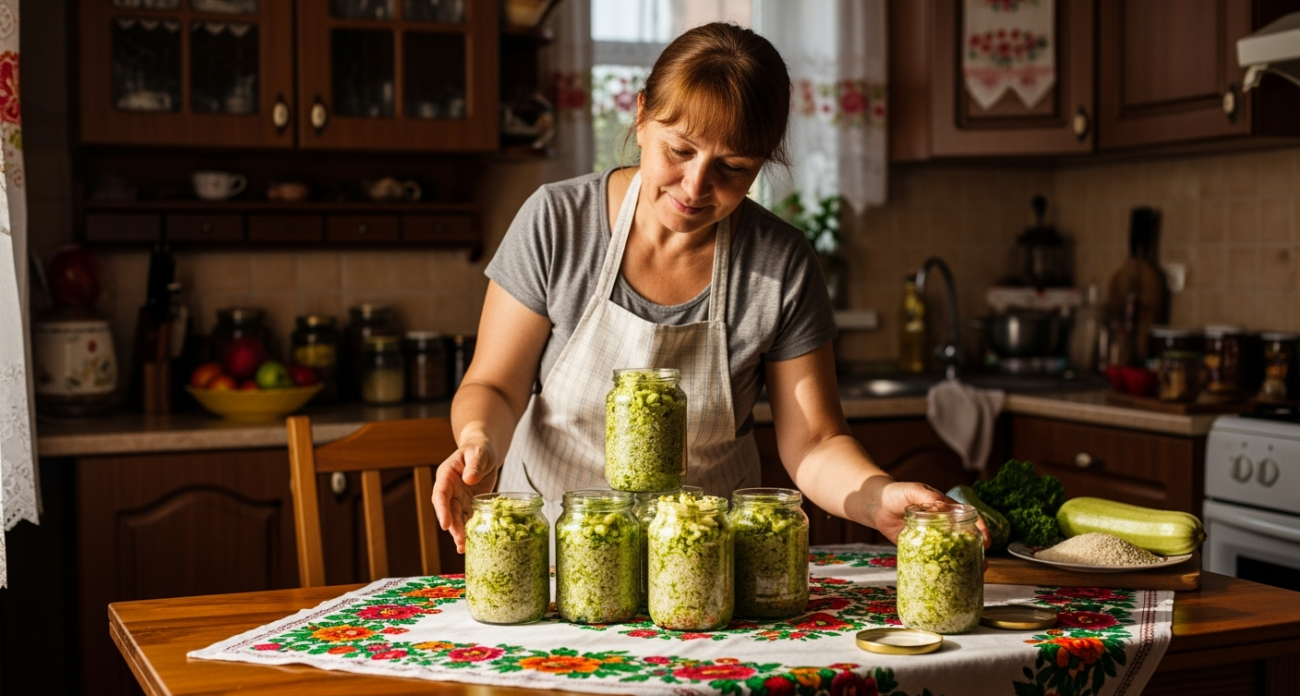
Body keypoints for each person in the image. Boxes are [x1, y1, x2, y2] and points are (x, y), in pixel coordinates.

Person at [433, 22, 984, 552]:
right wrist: (480, 441)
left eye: (734, 168)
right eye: (679, 150)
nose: (696, 187)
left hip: (709, 566)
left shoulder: (779, 263)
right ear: (642, 113)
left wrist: (876, 497)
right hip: (559, 550)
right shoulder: (558, 222)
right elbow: (496, 386)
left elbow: (814, 442)